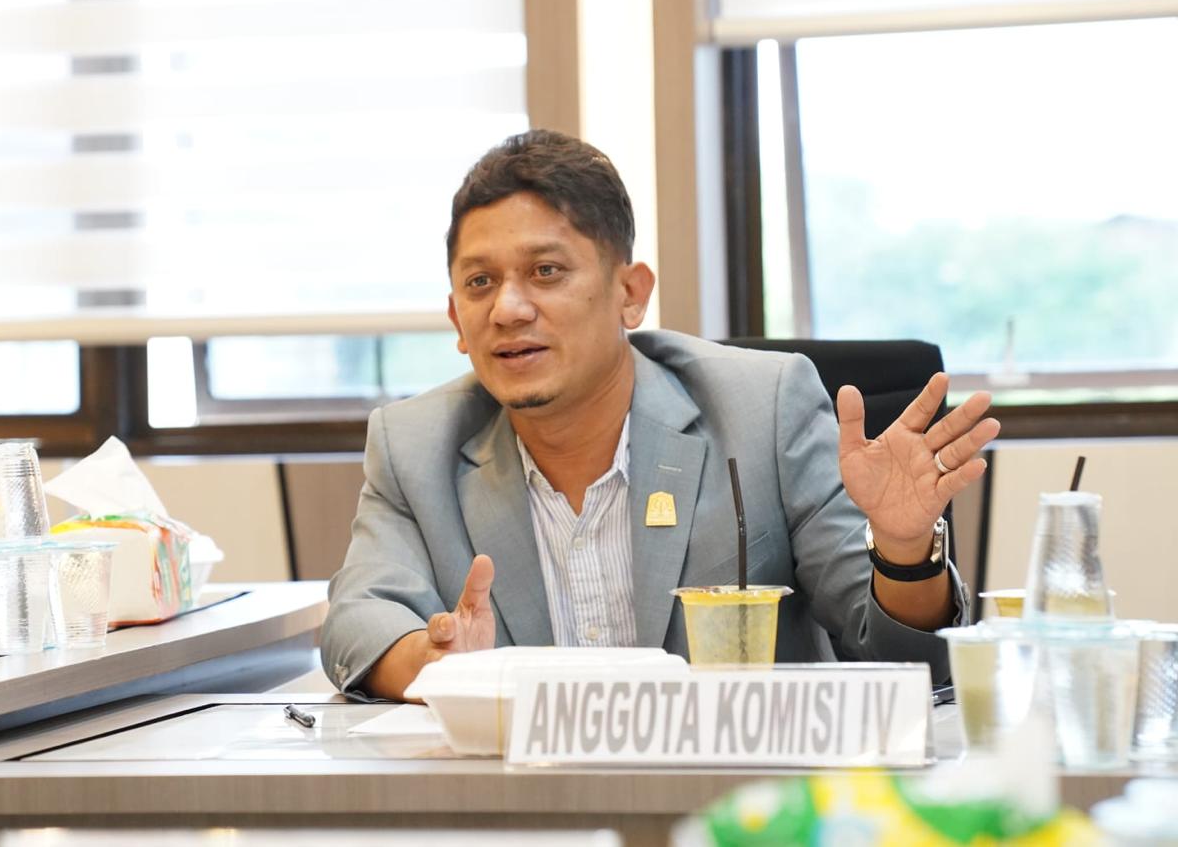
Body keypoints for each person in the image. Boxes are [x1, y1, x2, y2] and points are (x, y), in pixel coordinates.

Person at [320, 129, 999, 701]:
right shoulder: (415, 445)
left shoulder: (763, 409)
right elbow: (356, 621)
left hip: (744, 794)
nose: (509, 308)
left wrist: (905, 550)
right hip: (532, 799)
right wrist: (438, 666)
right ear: (456, 320)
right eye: (480, 282)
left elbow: (905, 656)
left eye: (546, 271)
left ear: (630, 293)